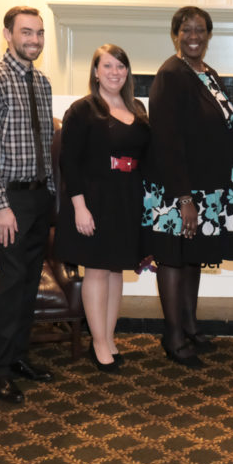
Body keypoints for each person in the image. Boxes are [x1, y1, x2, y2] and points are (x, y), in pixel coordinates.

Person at [143, 6, 233, 367]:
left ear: (209, 35)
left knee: (192, 258)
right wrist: (184, 198)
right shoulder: (171, 74)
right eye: (186, 30)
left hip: (207, 189)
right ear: (175, 35)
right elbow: (167, 140)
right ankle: (172, 336)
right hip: (178, 189)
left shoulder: (206, 73)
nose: (194, 36)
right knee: (172, 258)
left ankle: (189, 325)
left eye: (201, 30)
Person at [0, 6, 56, 403]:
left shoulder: (43, 83)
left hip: (39, 197)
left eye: (39, 33)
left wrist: (51, 194)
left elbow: (45, 145)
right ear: (7, 34)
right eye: (26, 32)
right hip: (11, 200)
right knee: (11, 283)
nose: (34, 40)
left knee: (28, 282)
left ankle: (19, 357)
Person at [54, 44, 150, 373]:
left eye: (120, 66)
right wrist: (79, 207)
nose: (114, 72)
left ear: (127, 72)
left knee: (115, 269)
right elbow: (70, 162)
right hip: (93, 198)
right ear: (95, 72)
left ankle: (108, 337)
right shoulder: (82, 110)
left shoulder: (136, 107)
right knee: (96, 269)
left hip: (127, 196)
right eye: (107, 66)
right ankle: (98, 344)